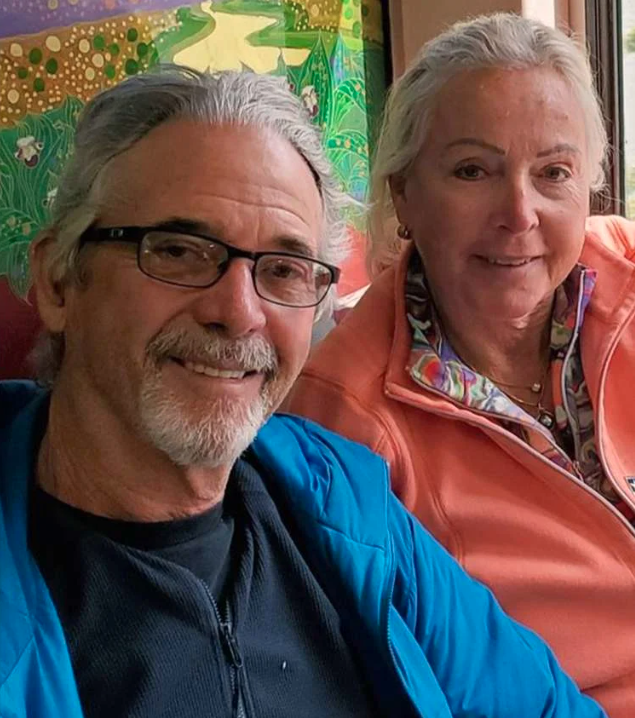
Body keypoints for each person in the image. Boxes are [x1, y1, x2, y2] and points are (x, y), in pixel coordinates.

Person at [0, 65, 607, 718]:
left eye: (284, 269)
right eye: (177, 251)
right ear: (59, 281)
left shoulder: (346, 503)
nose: (239, 313)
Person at [287, 11, 635, 716]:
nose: (519, 213)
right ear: (404, 193)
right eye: (473, 170)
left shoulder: (626, 270)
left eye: (553, 172)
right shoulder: (344, 423)